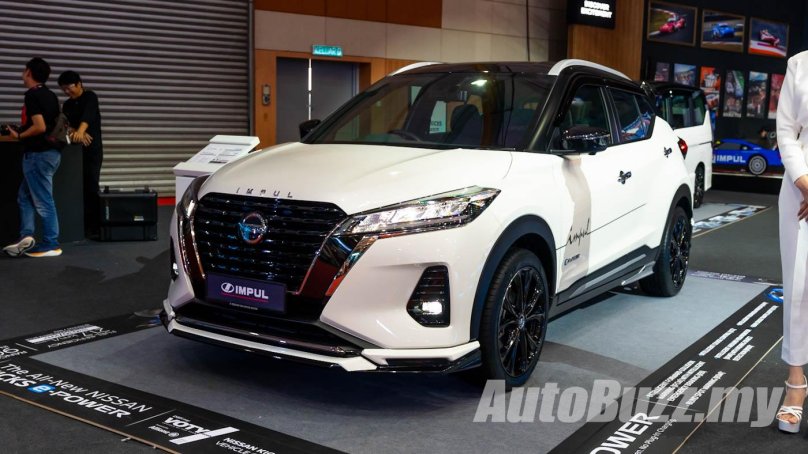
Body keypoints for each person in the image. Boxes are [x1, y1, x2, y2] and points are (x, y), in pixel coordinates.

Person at [2, 57, 62, 258]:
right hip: (51, 154)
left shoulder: (32, 95)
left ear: (28, 72)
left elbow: (40, 126)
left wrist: (19, 136)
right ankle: (26, 235)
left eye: (24, 70)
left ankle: (51, 243)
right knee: (25, 196)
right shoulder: (50, 95)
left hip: (38, 155)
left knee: (43, 200)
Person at [777, 50, 808, 433]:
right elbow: (786, 130)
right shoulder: (799, 65)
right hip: (801, 189)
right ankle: (796, 383)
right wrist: (803, 181)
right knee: (798, 287)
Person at [58, 70, 103, 237]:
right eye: (64, 89)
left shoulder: (90, 97)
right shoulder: (67, 105)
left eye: (69, 87)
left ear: (79, 84)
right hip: (75, 152)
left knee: (91, 185)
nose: (67, 91)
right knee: (77, 187)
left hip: (92, 150)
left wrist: (81, 131)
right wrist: (76, 133)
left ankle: (95, 226)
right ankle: (79, 225)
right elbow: (66, 125)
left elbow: (87, 116)